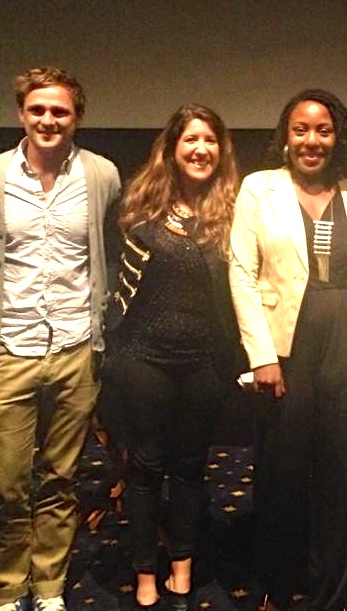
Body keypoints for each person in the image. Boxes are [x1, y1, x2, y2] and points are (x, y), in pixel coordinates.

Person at [229, 88, 347, 611]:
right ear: (285, 137)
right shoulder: (258, 190)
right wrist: (261, 355)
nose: (311, 140)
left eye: (322, 130)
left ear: (337, 137)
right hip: (286, 347)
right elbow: (242, 272)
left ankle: (333, 588)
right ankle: (280, 583)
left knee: (345, 472)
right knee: (282, 469)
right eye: (301, 129)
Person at [0, 66, 121, 611]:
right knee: (7, 484)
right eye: (37, 110)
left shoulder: (102, 174)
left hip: (77, 347)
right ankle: (9, 589)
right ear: (21, 114)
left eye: (59, 111)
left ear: (77, 116)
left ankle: (50, 587)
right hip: (9, 348)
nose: (48, 120)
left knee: (61, 477)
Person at [103, 104, 243, 610]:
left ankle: (181, 569)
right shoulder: (139, 208)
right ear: (172, 148)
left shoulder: (235, 212)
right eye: (190, 140)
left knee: (189, 469)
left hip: (206, 362)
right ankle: (145, 573)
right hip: (144, 359)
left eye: (210, 140)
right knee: (144, 467)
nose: (200, 149)